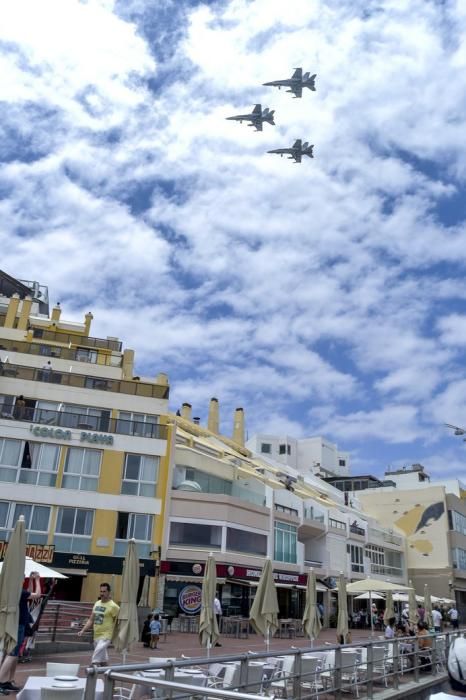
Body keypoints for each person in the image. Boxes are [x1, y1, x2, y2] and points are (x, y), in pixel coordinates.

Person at [0, 572, 42, 695]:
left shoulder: (14, 591)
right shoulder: (19, 591)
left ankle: (7, 680)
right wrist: (37, 580)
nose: (24, 578)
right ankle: (1, 682)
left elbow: (27, 592)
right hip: (18, 625)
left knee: (13, 653)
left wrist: (30, 581)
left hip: (14, 624)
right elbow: (37, 595)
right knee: (13, 653)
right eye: (23, 577)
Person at [77, 582, 120, 666]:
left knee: (96, 656)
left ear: (108, 592)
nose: (102, 593)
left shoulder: (114, 606)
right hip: (96, 635)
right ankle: (108, 674)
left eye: (104, 591)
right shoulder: (97, 603)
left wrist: (117, 635)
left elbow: (118, 621)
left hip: (106, 635)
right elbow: (91, 619)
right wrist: (83, 630)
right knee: (103, 660)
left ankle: (92, 669)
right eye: (101, 591)